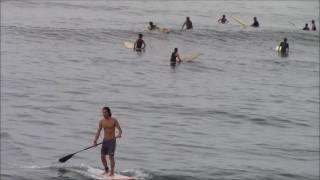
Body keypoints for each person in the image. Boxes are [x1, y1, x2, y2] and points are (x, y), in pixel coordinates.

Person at [93, 107, 122, 176]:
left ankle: (112, 172)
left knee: (111, 157)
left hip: (112, 141)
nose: (104, 114)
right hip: (105, 141)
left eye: (105, 112)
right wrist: (95, 141)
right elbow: (98, 131)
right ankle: (106, 169)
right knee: (102, 156)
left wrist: (118, 135)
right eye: (103, 112)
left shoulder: (114, 120)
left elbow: (120, 130)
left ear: (109, 112)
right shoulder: (101, 121)